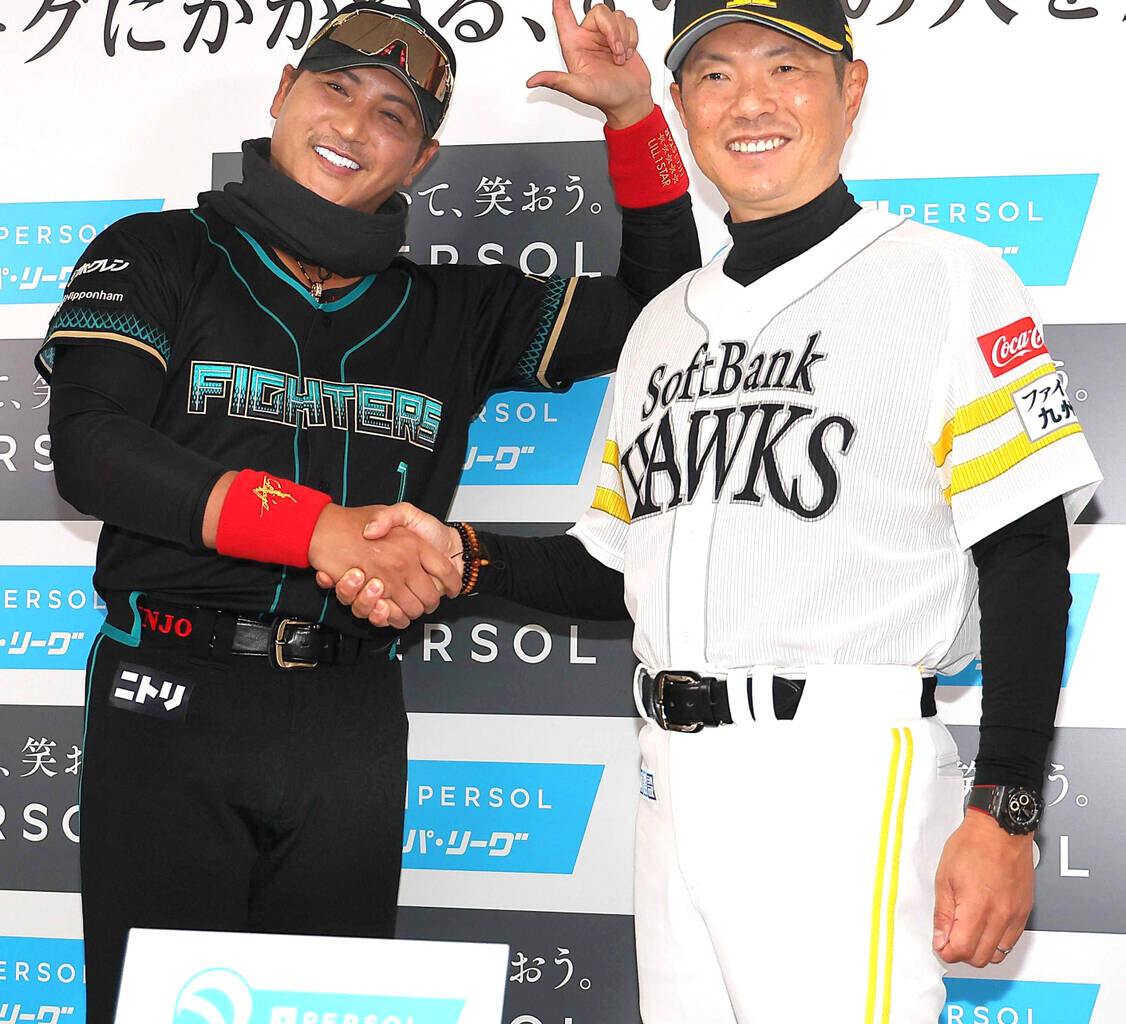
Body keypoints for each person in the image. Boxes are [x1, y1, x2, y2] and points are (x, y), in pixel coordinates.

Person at [325, 0, 1103, 1019]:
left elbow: (1025, 556)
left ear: (849, 90)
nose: (751, 103)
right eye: (716, 74)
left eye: (786, 69)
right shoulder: (660, 324)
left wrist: (1003, 808)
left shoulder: (948, 279)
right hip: (667, 769)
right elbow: (614, 568)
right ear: (685, 103)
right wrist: (462, 552)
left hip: (835, 769)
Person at [37, 2, 701, 1020]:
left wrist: (632, 119)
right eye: (334, 87)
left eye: (392, 113)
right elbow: (92, 448)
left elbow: (666, 308)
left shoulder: (455, 310)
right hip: (168, 697)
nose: (353, 124)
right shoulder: (158, 252)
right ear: (281, 97)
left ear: (423, 158)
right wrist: (316, 528)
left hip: (348, 716)